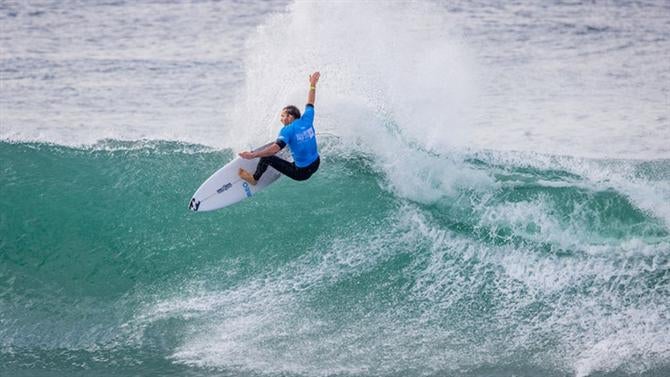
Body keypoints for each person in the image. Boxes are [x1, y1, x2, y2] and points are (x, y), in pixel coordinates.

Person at [238, 71, 321, 185]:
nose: (281, 119)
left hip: (301, 173)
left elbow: (275, 149)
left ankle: (254, 179)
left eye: (282, 116)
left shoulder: (287, 130)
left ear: (289, 116)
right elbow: (311, 101)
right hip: (316, 163)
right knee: (292, 142)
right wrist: (313, 84)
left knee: (267, 157)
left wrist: (254, 155)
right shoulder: (308, 118)